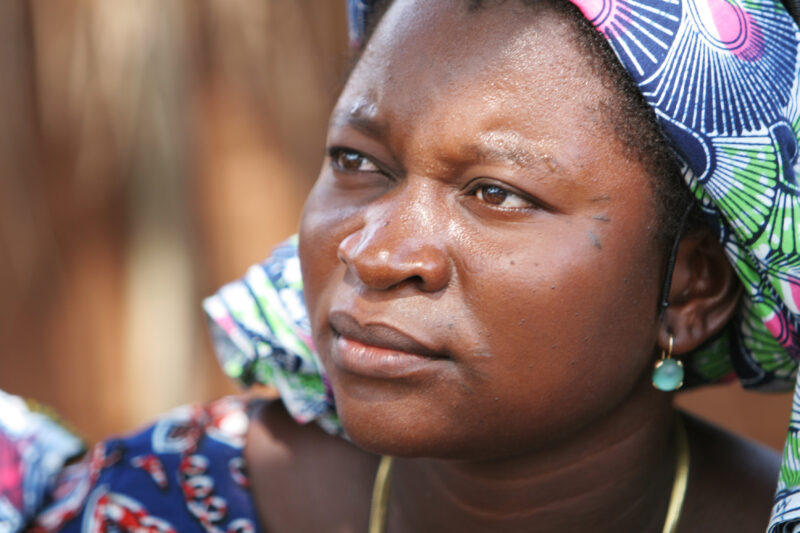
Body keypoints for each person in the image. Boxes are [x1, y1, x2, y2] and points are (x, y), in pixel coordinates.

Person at [3, 0, 800, 531]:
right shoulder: (165, 499)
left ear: (692, 286)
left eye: (495, 192)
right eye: (357, 160)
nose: (376, 252)